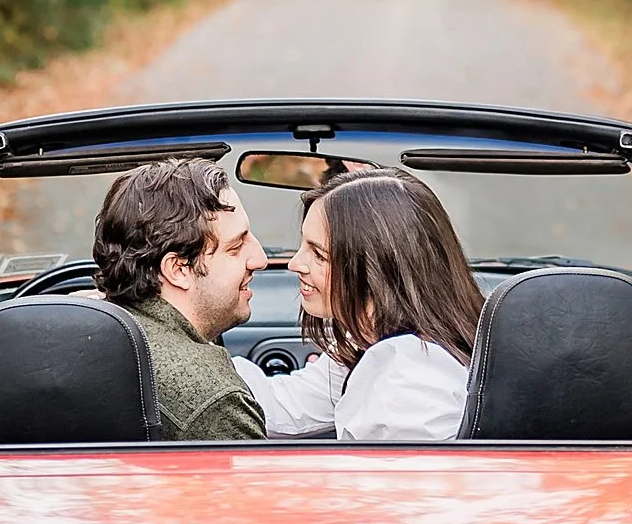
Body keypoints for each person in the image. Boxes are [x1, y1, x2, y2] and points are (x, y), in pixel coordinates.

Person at [234, 167, 483, 442]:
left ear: (376, 269)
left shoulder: (407, 380)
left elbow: (391, 479)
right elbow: (285, 406)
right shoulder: (371, 343)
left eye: (318, 254)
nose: (295, 264)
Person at [93, 156, 268, 441]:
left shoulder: (91, 325)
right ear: (178, 269)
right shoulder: (214, 401)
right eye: (236, 247)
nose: (259, 259)